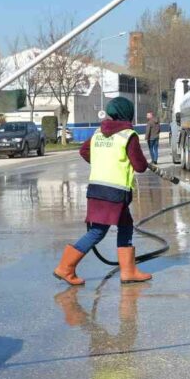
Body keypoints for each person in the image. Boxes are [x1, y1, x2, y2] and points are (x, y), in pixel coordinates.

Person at [53, 96, 153, 285]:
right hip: (115, 192)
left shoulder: (99, 132)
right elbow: (139, 166)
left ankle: (128, 271)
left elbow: (84, 151)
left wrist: (102, 163)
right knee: (97, 232)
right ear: (127, 114)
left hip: (97, 190)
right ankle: (65, 267)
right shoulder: (128, 135)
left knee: (125, 225)